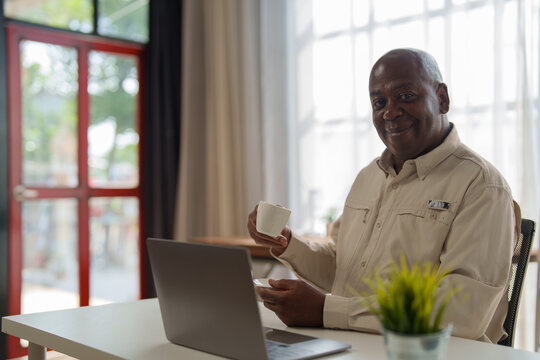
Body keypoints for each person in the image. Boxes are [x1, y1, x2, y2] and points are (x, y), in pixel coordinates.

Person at [247, 48, 517, 343]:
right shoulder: (369, 177)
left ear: (442, 98)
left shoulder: (482, 186)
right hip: (352, 344)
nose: (390, 112)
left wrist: (327, 310)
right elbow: (342, 269)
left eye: (405, 96)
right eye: (379, 102)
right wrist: (289, 244)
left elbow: (460, 312)